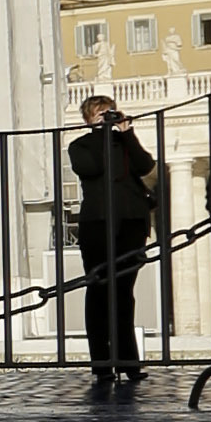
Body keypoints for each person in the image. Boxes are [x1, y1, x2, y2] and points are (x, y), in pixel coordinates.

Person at [69, 95, 158, 390]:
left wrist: (126, 133)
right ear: (88, 119)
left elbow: (146, 166)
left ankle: (129, 362)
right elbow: (91, 168)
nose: (106, 117)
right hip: (97, 224)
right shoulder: (80, 145)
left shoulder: (125, 143)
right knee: (98, 293)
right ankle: (102, 365)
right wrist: (103, 135)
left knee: (124, 293)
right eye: (99, 114)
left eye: (109, 112)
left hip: (131, 221)